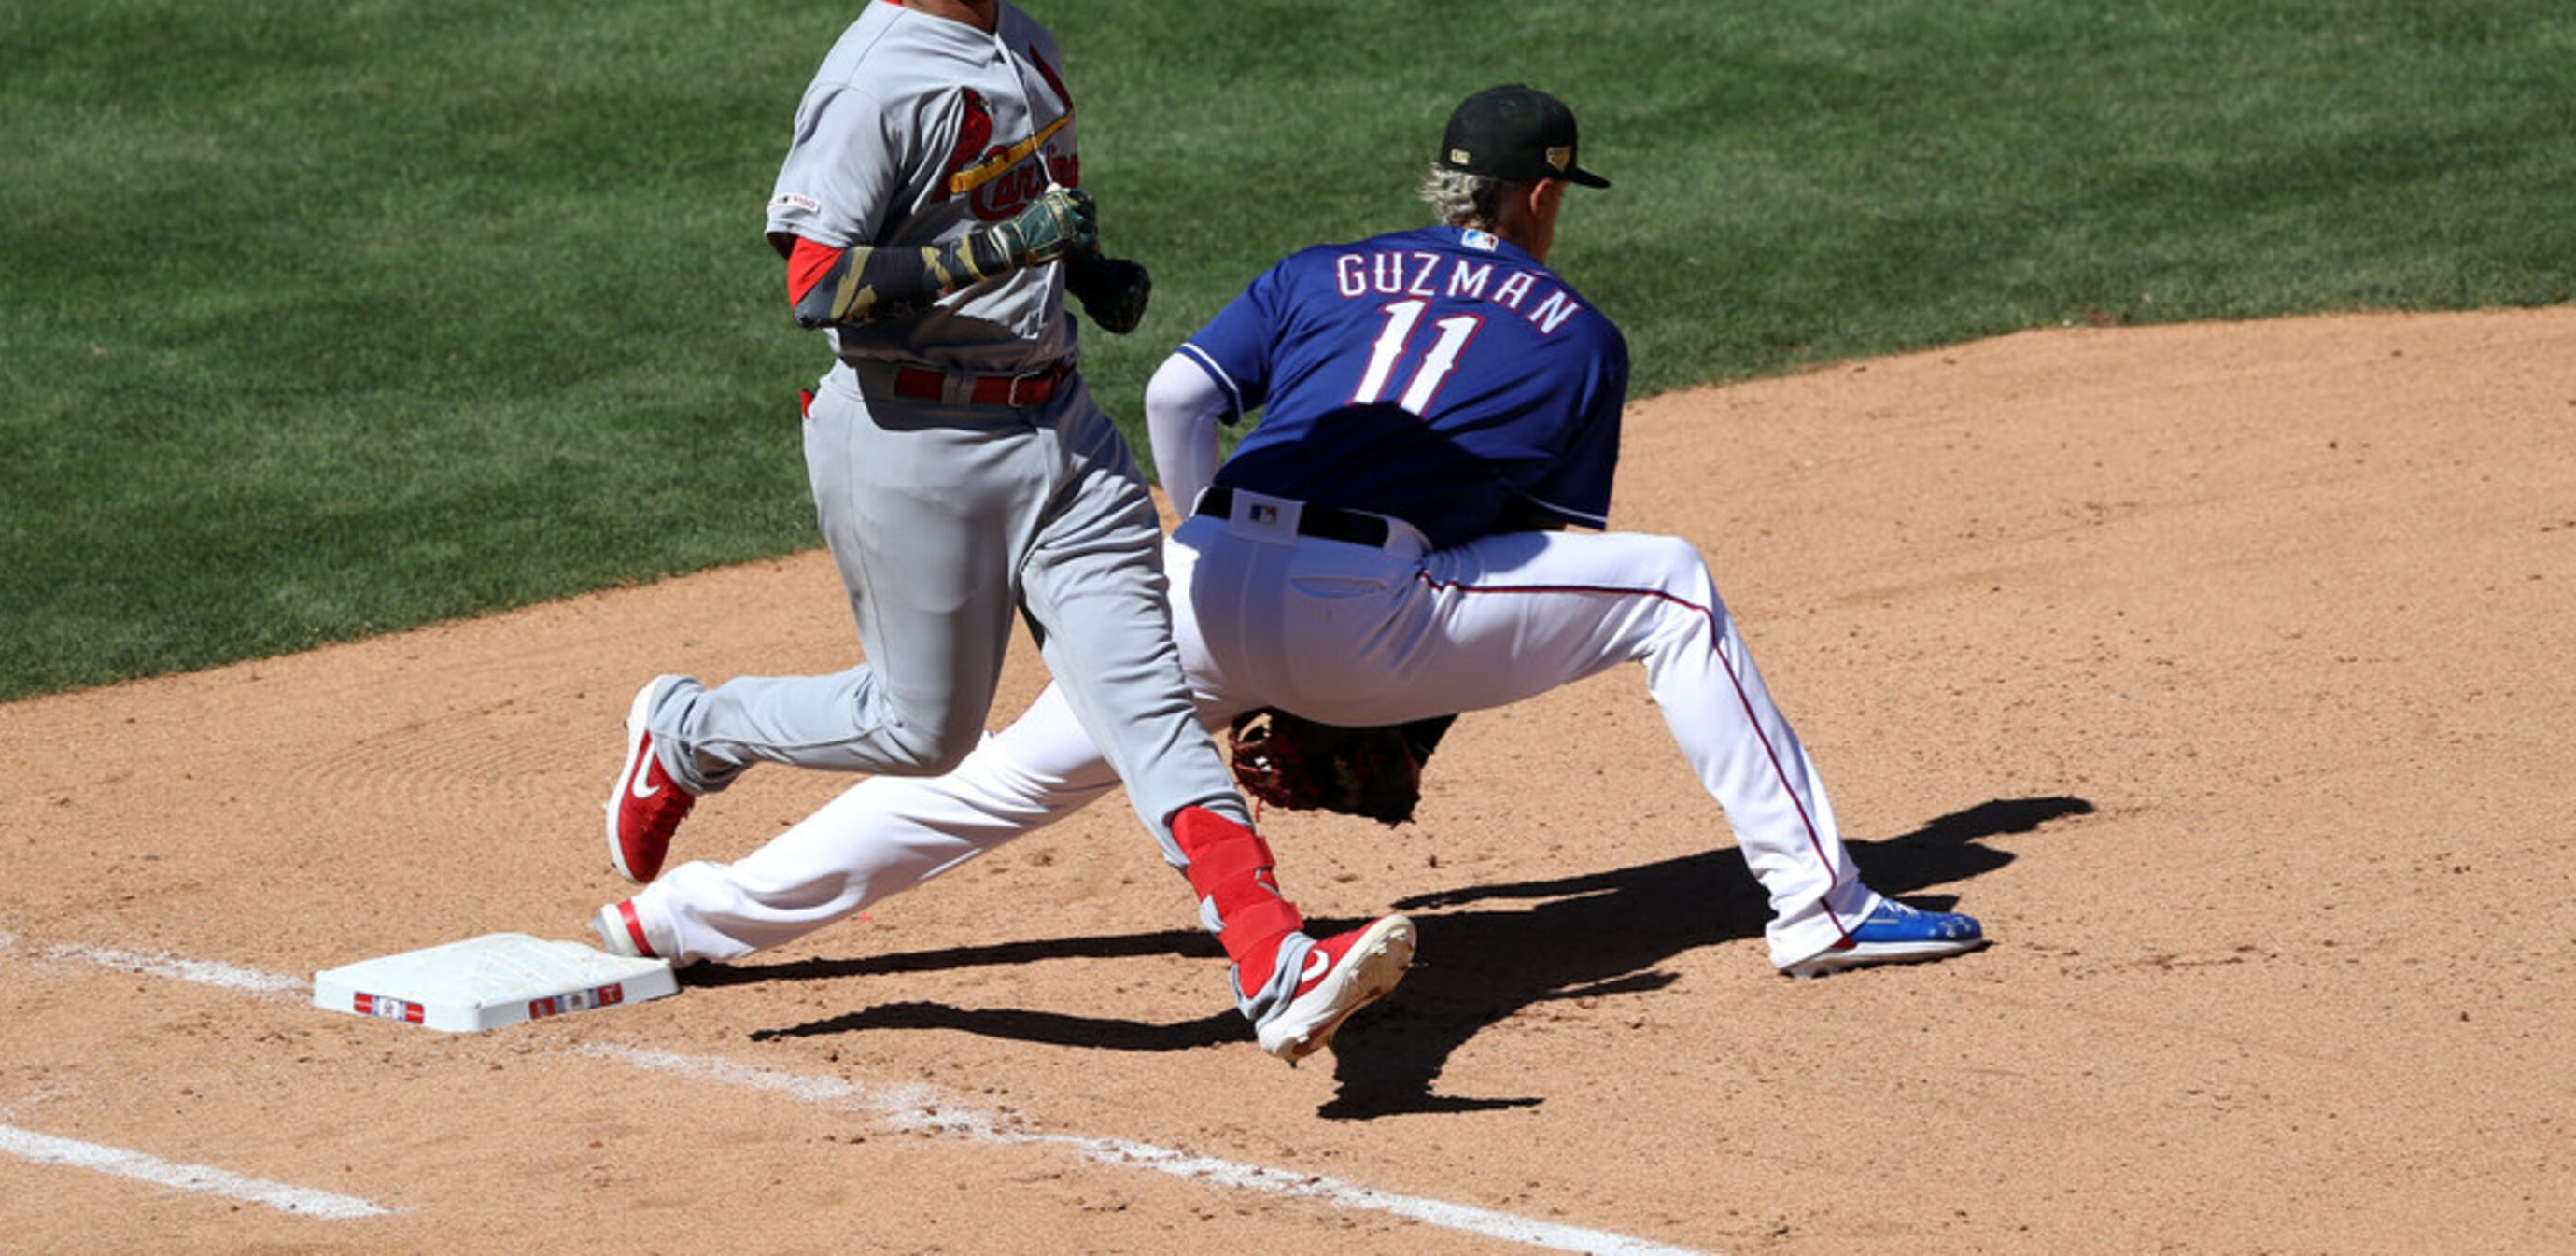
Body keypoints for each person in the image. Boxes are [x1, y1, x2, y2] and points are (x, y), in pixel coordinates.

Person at [597, 80, 1985, 993]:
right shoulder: (1583, 339)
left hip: (1193, 578)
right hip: (1367, 616)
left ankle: (681, 921)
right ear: (1543, 196)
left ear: (1444, 187)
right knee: (1670, 591)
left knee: (998, 779)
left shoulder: (1318, 271)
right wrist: (1395, 712)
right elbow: (1532, 552)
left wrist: (1206, 541)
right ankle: (1822, 902)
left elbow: (1178, 391)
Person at [596, 0, 1414, 1065]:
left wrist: (1089, 274)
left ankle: (1271, 953)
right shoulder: (871, 85)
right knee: (922, 732)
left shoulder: (1022, 44)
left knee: (1146, 704)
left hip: (1064, 435)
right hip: (912, 444)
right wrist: (985, 252)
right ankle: (694, 728)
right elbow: (815, 283)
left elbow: (1033, 210)